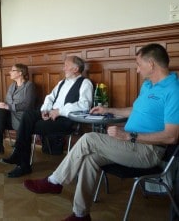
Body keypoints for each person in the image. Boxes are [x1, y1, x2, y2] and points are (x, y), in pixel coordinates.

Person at [23, 43, 179, 221]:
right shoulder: (148, 86)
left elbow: (172, 136)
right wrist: (108, 110)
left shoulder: (174, 91)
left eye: (138, 64)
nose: (136, 70)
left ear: (151, 64)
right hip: (129, 144)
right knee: (90, 159)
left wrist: (131, 135)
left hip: (148, 151)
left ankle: (54, 181)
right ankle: (81, 215)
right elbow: (134, 110)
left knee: (89, 138)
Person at [1, 55, 93, 178]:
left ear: (75, 69)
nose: (63, 68)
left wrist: (59, 111)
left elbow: (84, 105)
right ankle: (21, 160)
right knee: (28, 115)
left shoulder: (85, 83)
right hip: (50, 114)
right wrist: (45, 110)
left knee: (29, 125)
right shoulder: (62, 83)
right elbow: (49, 97)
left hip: (66, 120)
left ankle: (22, 162)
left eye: (66, 66)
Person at [0, 63, 36, 169]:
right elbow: (7, 101)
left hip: (22, 119)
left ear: (20, 73)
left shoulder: (29, 86)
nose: (10, 72)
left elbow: (28, 105)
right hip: (10, 116)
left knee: (0, 112)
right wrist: (4, 105)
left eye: (12, 70)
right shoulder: (12, 86)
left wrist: (8, 106)